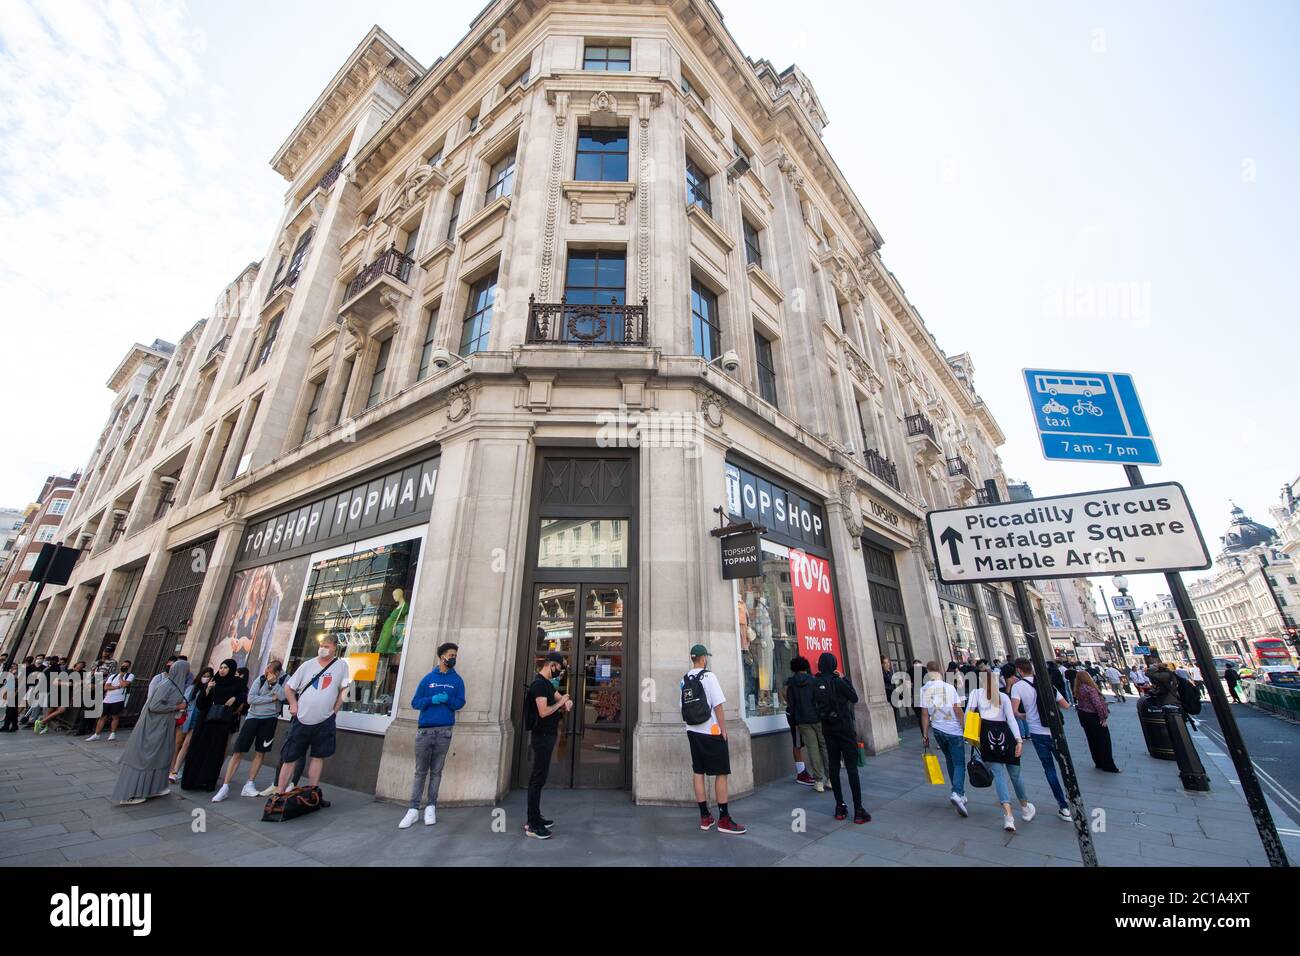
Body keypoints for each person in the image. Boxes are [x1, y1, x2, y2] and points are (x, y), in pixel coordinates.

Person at [681, 644, 746, 834]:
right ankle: (724, 819)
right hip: (711, 730)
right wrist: (723, 730)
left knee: (698, 771)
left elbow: (682, 706)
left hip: (692, 730)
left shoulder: (684, 680)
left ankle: (705, 817)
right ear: (703, 658)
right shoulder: (709, 676)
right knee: (721, 773)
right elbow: (718, 706)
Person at [275, 634, 351, 795]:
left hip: (325, 719)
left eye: (327, 646)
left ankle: (312, 792)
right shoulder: (307, 665)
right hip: (302, 718)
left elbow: (345, 690)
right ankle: (279, 793)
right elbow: (289, 688)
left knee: (318, 756)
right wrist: (293, 704)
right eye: (321, 645)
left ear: (334, 647)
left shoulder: (341, 666)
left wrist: (335, 711)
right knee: (290, 757)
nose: (323, 649)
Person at [400, 642, 466, 829]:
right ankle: (413, 809)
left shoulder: (457, 680)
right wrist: (431, 700)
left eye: (455, 656)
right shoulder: (428, 679)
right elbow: (415, 702)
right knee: (420, 771)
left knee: (436, 771)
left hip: (445, 730)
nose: (453, 658)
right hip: (425, 730)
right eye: (451, 655)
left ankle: (431, 806)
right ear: (442, 656)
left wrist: (449, 700)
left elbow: (460, 702)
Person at [112, 660, 190, 806]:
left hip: (165, 725)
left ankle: (155, 787)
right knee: (146, 758)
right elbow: (154, 705)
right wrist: (177, 706)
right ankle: (132, 793)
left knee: (161, 755)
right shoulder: (167, 684)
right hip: (154, 727)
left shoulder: (175, 684)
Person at [967, 665, 1033, 831]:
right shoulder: (1003, 696)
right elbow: (1011, 720)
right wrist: (1019, 740)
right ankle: (1025, 808)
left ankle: (1008, 816)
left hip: (987, 737)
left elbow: (969, 715)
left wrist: (971, 737)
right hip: (1005, 735)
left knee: (999, 776)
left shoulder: (976, 695)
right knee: (1015, 774)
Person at [1008, 658, 1072, 821]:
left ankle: (1063, 806)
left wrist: (1025, 716)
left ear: (1019, 670)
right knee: (1065, 767)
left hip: (1037, 732)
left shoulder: (1018, 687)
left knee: (1049, 769)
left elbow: (1014, 712)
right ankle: (1073, 798)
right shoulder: (1045, 683)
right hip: (1055, 731)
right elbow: (1066, 705)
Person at [213, 660, 286, 802]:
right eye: (266, 670)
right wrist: (271, 698)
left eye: (270, 671)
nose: (267, 673)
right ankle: (225, 786)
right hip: (253, 718)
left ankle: (249, 784)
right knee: (238, 751)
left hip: (270, 719)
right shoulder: (260, 679)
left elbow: (283, 697)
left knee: (261, 751)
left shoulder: (284, 680)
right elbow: (251, 699)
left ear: (276, 673)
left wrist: (274, 685)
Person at [816, 652, 870, 825]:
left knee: (833, 767)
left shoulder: (816, 683)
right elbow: (854, 697)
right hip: (844, 729)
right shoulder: (838, 681)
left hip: (828, 728)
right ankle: (858, 810)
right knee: (852, 768)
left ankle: (839, 806)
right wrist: (844, 678)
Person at [525, 651, 572, 839]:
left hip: (548, 735)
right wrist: (560, 703)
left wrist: (566, 701)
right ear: (551, 665)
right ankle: (532, 824)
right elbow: (543, 712)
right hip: (541, 736)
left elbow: (559, 696)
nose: (559, 673)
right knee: (537, 779)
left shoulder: (546, 684)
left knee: (540, 778)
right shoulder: (538, 685)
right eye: (559, 669)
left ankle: (536, 817)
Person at [182, 659, 246, 792]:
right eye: (221, 667)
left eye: (226, 668)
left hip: (221, 723)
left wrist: (235, 699)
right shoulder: (214, 681)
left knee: (214, 751)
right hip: (205, 721)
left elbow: (243, 695)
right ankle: (192, 780)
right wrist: (207, 690)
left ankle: (208, 781)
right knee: (198, 749)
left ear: (232, 669)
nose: (222, 670)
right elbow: (200, 704)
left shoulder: (236, 683)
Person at [919, 661, 968, 817]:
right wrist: (965, 727)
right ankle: (957, 792)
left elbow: (924, 714)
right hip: (953, 729)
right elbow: (957, 709)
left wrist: (925, 734)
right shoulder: (949, 687)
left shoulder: (923, 689)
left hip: (938, 730)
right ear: (939, 671)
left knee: (949, 760)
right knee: (959, 763)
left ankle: (959, 792)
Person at [784, 656, 827, 792]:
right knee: (824, 747)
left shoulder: (791, 683)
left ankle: (818, 780)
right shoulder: (813, 680)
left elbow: (790, 701)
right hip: (816, 718)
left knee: (811, 749)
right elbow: (820, 698)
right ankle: (831, 778)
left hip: (801, 720)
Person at [171, 666, 213, 782]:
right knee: (177, 743)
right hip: (186, 717)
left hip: (197, 719)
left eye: (208, 676)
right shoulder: (193, 687)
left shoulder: (210, 690)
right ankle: (172, 768)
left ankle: (175, 770)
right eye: (204, 676)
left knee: (186, 744)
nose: (206, 678)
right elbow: (185, 701)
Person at [86, 659, 134, 741]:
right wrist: (117, 687)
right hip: (107, 699)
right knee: (102, 717)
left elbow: (124, 684)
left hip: (119, 699)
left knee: (115, 716)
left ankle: (112, 733)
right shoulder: (113, 676)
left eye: (126, 666)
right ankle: (96, 734)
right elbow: (106, 687)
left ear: (129, 667)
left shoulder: (130, 676)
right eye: (123, 665)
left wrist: (121, 677)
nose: (124, 667)